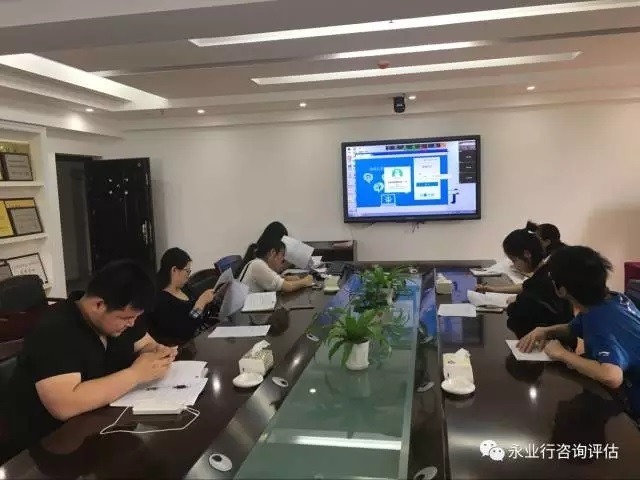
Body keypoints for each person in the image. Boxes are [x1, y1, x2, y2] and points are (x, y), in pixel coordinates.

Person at [5, 260, 177, 451]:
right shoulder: (54, 329)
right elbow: (65, 405)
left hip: (104, 427)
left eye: (135, 317)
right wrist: (136, 374)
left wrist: (158, 354)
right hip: (45, 445)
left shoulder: (118, 318)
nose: (132, 323)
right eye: (127, 318)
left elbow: (146, 345)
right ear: (99, 305)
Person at [518, 246, 640, 422]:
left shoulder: (599, 319)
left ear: (562, 289)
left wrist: (562, 354)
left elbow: (611, 376)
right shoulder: (612, 300)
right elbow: (573, 328)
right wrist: (545, 330)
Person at [500, 229, 575, 341]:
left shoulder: (538, 282)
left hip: (554, 342)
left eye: (514, 260)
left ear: (527, 254)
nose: (514, 266)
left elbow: (516, 312)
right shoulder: (549, 271)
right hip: (565, 336)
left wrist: (513, 303)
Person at [150, 248, 222, 344]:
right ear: (174, 270)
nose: (188, 275)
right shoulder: (161, 300)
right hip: (186, 345)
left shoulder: (184, 288)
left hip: (204, 335)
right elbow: (184, 332)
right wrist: (201, 303)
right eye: (187, 271)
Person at [239, 236, 313, 293]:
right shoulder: (258, 265)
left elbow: (272, 278)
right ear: (273, 252)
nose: (283, 259)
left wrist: (286, 278)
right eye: (282, 255)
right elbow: (288, 287)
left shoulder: (258, 263)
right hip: (246, 307)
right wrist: (306, 281)